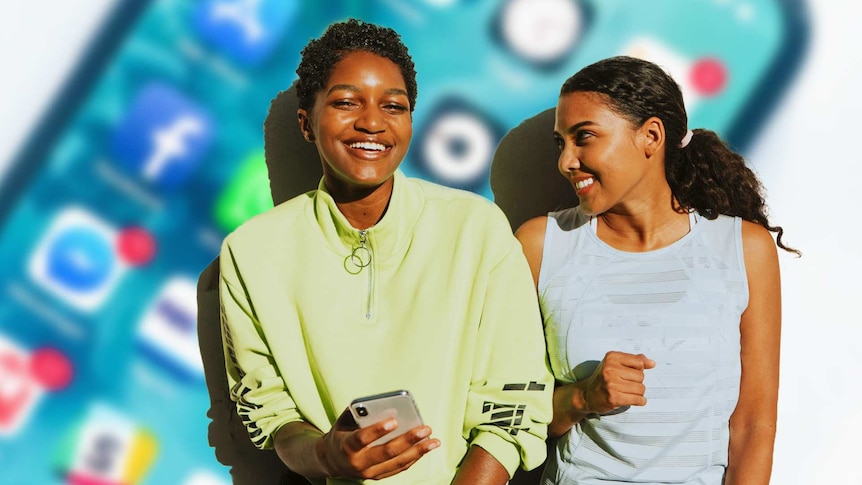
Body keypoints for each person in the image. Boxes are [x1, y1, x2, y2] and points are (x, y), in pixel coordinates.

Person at [217, 19, 553, 484]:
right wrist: (325, 455)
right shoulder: (251, 251)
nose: (372, 122)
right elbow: (269, 411)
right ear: (306, 123)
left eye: (393, 105)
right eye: (345, 102)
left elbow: (516, 404)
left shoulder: (477, 229)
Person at [513, 56, 797, 484]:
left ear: (651, 136)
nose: (566, 161)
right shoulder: (540, 244)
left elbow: (755, 426)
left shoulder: (744, 248)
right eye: (560, 143)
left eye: (584, 137)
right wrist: (582, 397)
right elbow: (510, 413)